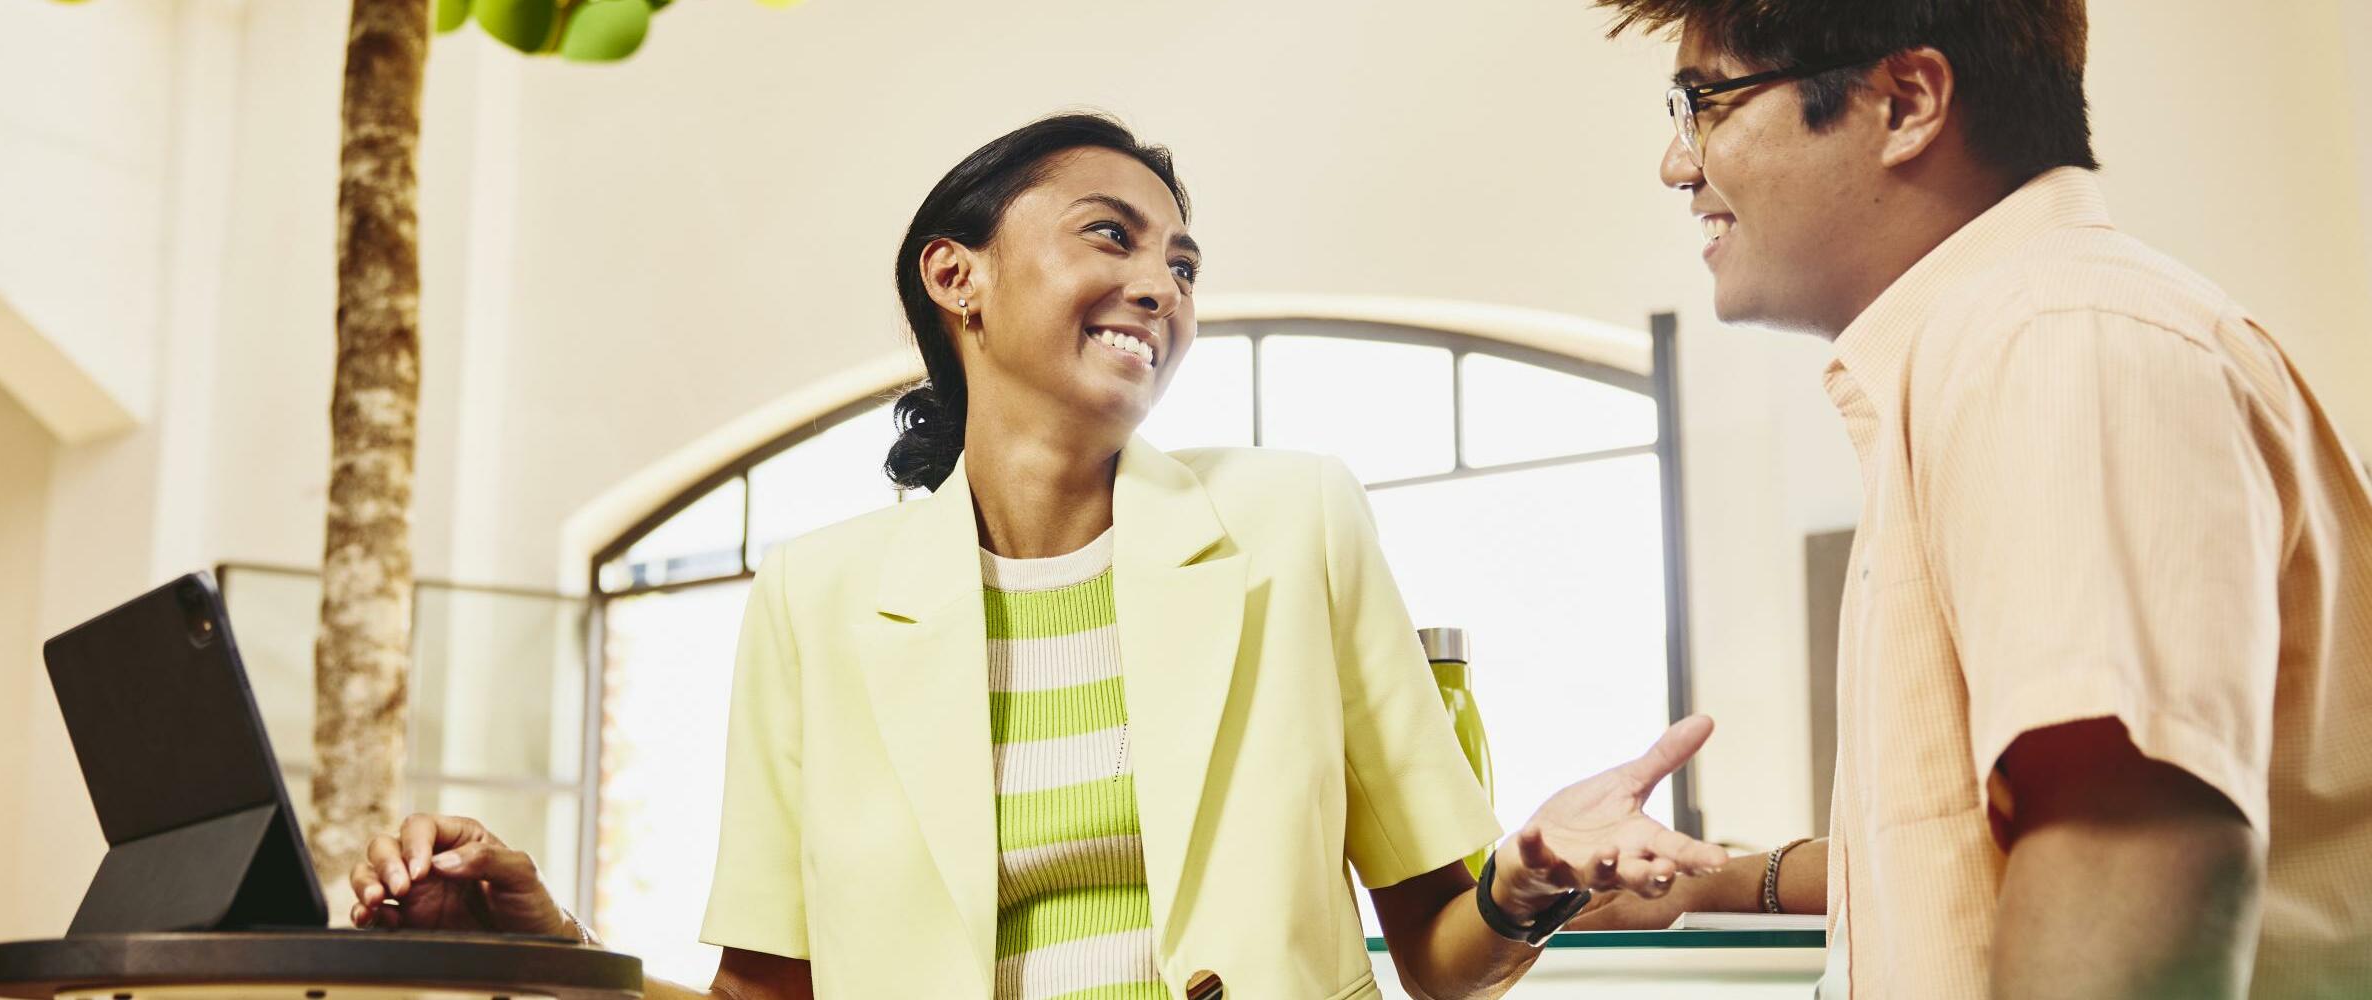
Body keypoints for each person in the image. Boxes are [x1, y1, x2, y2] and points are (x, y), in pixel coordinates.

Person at [348, 113, 1730, 999]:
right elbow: (768, 994)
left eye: (1183, 265)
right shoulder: (817, 600)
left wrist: (1529, 878)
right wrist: (552, 955)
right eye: (1112, 239)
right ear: (958, 278)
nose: (1162, 288)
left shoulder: (1294, 521)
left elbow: (1440, 947)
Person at [1569, 2, 2372, 997]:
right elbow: (1972, 825)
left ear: (1905, 101)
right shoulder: (1991, 353)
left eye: (1706, 104)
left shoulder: (2059, 344)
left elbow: (2119, 862)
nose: (1678, 164)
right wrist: (1719, 879)